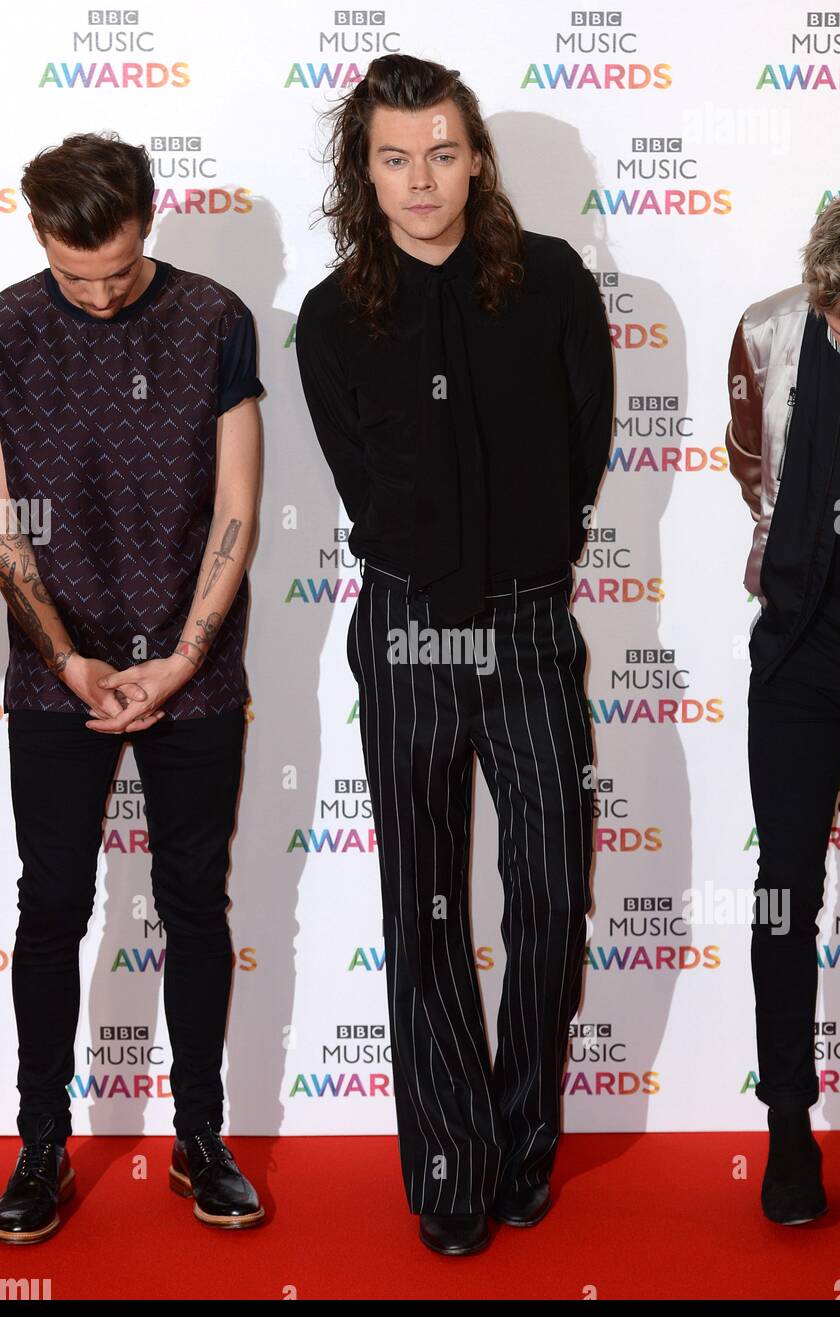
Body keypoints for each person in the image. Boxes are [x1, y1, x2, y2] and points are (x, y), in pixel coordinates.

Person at [296, 54, 614, 1255]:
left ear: (475, 157)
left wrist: (527, 559)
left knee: (545, 892)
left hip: (533, 623)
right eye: (393, 157)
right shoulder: (332, 316)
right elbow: (358, 480)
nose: (420, 180)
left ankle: (526, 1144)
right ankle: (447, 1161)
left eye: (440, 152)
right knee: (421, 900)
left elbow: (588, 438)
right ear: (362, 170)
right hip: (408, 626)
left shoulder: (549, 279)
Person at [0, 132, 265, 1243]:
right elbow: (4, 523)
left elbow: (239, 506)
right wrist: (65, 657)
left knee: (196, 903)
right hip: (51, 660)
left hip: (191, 666)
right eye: (74, 277)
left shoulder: (213, 315)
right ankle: (42, 1142)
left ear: (149, 222)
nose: (99, 297)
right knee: (52, 905)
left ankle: (200, 1138)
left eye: (116, 271)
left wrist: (186, 656)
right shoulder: (7, 326)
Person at [727, 175, 840, 1225]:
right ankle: (788, 1128)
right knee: (783, 889)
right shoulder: (769, 333)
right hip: (801, 650)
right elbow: (755, 470)